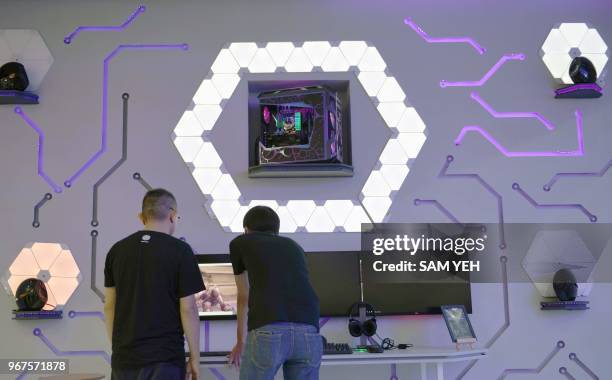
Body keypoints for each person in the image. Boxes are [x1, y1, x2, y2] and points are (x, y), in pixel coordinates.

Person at [103, 188, 204, 380]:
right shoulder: (181, 251)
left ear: (142, 217)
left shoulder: (116, 251)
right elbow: (188, 309)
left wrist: (118, 348)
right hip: (165, 359)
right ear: (173, 216)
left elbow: (109, 306)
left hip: (124, 361)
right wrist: (195, 359)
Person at [228, 206, 322, 380]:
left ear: (246, 229)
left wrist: (240, 341)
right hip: (309, 331)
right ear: (276, 231)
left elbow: (243, 296)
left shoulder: (240, 242)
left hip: (269, 330)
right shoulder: (295, 246)